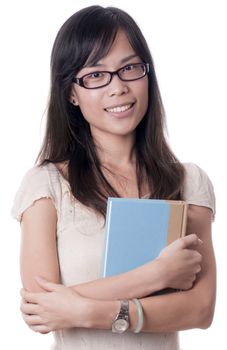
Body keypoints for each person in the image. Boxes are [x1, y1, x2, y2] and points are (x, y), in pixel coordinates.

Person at [11, 5, 216, 350]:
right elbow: (40, 310)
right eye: (95, 75)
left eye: (130, 68)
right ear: (71, 93)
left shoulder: (188, 181)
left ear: (147, 75)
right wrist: (157, 275)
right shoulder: (45, 185)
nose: (117, 87)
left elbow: (201, 309)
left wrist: (86, 309)